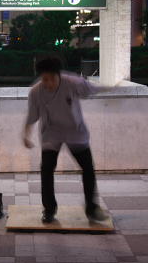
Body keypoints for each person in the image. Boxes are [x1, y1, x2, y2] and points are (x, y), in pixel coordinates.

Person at [23, 58, 110, 223]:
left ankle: (92, 208)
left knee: (87, 168)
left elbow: (92, 89)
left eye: (51, 79)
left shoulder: (73, 83)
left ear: (59, 75)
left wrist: (113, 87)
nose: (48, 83)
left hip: (74, 132)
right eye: (44, 79)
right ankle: (49, 210)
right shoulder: (36, 92)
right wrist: (25, 135)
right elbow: (31, 117)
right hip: (52, 133)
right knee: (47, 168)